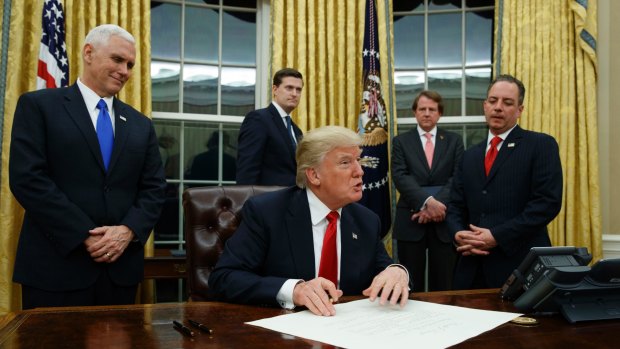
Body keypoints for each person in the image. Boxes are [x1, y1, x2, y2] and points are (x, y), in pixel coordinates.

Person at [9, 24, 166, 309]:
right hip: (55, 269)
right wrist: (84, 234)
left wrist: (128, 230)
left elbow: (154, 189)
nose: (125, 71)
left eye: (130, 64)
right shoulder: (39, 106)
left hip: (119, 273)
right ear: (89, 53)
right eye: (117, 60)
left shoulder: (141, 125)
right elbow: (28, 179)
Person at [209, 126, 410, 316]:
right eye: (346, 162)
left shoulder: (366, 221)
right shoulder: (267, 213)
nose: (360, 171)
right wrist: (295, 290)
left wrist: (398, 272)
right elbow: (224, 278)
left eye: (358, 160)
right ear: (314, 175)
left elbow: (385, 270)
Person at [446, 74, 563, 289]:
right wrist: (458, 234)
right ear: (485, 105)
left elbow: (547, 203)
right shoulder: (470, 155)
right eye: (493, 101)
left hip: (519, 268)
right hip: (470, 268)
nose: (498, 107)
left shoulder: (540, 145)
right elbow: (455, 205)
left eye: (507, 103)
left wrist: (497, 236)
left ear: (520, 110)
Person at [391, 90, 464, 292]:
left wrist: (436, 206)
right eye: (422, 109)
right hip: (411, 219)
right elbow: (400, 176)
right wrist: (427, 203)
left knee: (444, 282)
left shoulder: (454, 140)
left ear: (439, 113)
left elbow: (457, 177)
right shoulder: (401, 142)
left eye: (432, 109)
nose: (426, 113)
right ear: (415, 112)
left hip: (444, 220)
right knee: (409, 283)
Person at [235, 68, 304, 185]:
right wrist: (246, 200)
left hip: (291, 199)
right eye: (289, 88)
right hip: (265, 200)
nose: (294, 94)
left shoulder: (296, 130)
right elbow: (247, 168)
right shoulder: (258, 119)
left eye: (298, 90)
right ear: (275, 89)